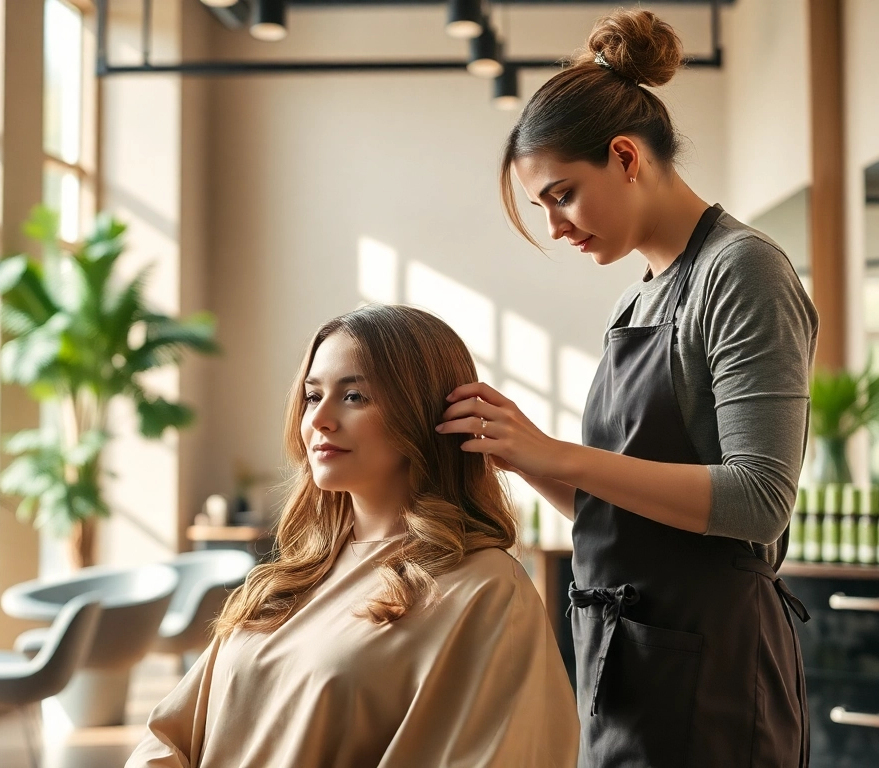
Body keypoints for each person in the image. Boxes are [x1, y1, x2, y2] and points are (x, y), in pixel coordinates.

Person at [435, 9, 819, 768]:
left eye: (562, 195)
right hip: (627, 660)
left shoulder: (741, 271)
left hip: (712, 669)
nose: (556, 226)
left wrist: (561, 454)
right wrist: (528, 462)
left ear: (624, 156)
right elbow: (624, 519)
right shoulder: (636, 300)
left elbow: (757, 499)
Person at [127, 304, 578, 768]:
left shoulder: (485, 589)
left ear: (423, 413)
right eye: (311, 395)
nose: (320, 419)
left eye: (354, 397)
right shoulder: (289, 580)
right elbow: (169, 735)